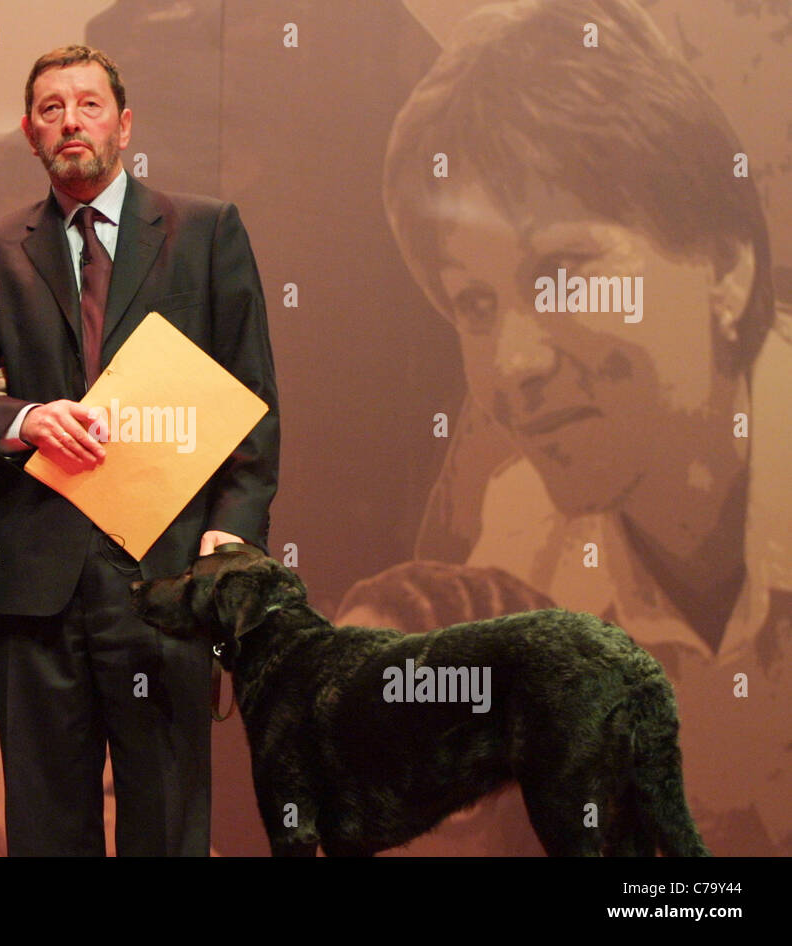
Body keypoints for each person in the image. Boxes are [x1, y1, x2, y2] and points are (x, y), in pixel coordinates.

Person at [374, 0, 789, 854]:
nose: (514, 363)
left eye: (563, 273)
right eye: (476, 304)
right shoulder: (524, 549)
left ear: (727, 263)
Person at [0, 45, 279, 856]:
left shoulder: (205, 231)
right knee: (45, 825)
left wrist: (231, 543)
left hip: (166, 574)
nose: (72, 121)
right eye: (52, 108)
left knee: (167, 820)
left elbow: (251, 402)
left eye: (89, 104)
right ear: (31, 134)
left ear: (124, 124)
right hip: (35, 579)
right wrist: (23, 421)